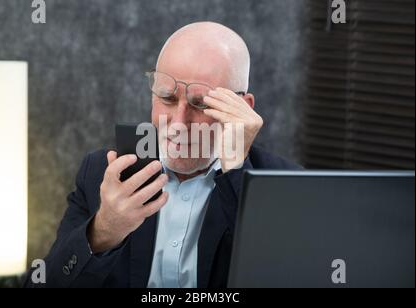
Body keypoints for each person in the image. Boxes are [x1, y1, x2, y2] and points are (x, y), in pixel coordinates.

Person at [25, 21, 300, 288]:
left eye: (201, 104)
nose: (179, 123)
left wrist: (237, 174)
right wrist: (103, 231)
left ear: (243, 109)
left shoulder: (284, 185)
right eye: (167, 98)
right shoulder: (102, 172)